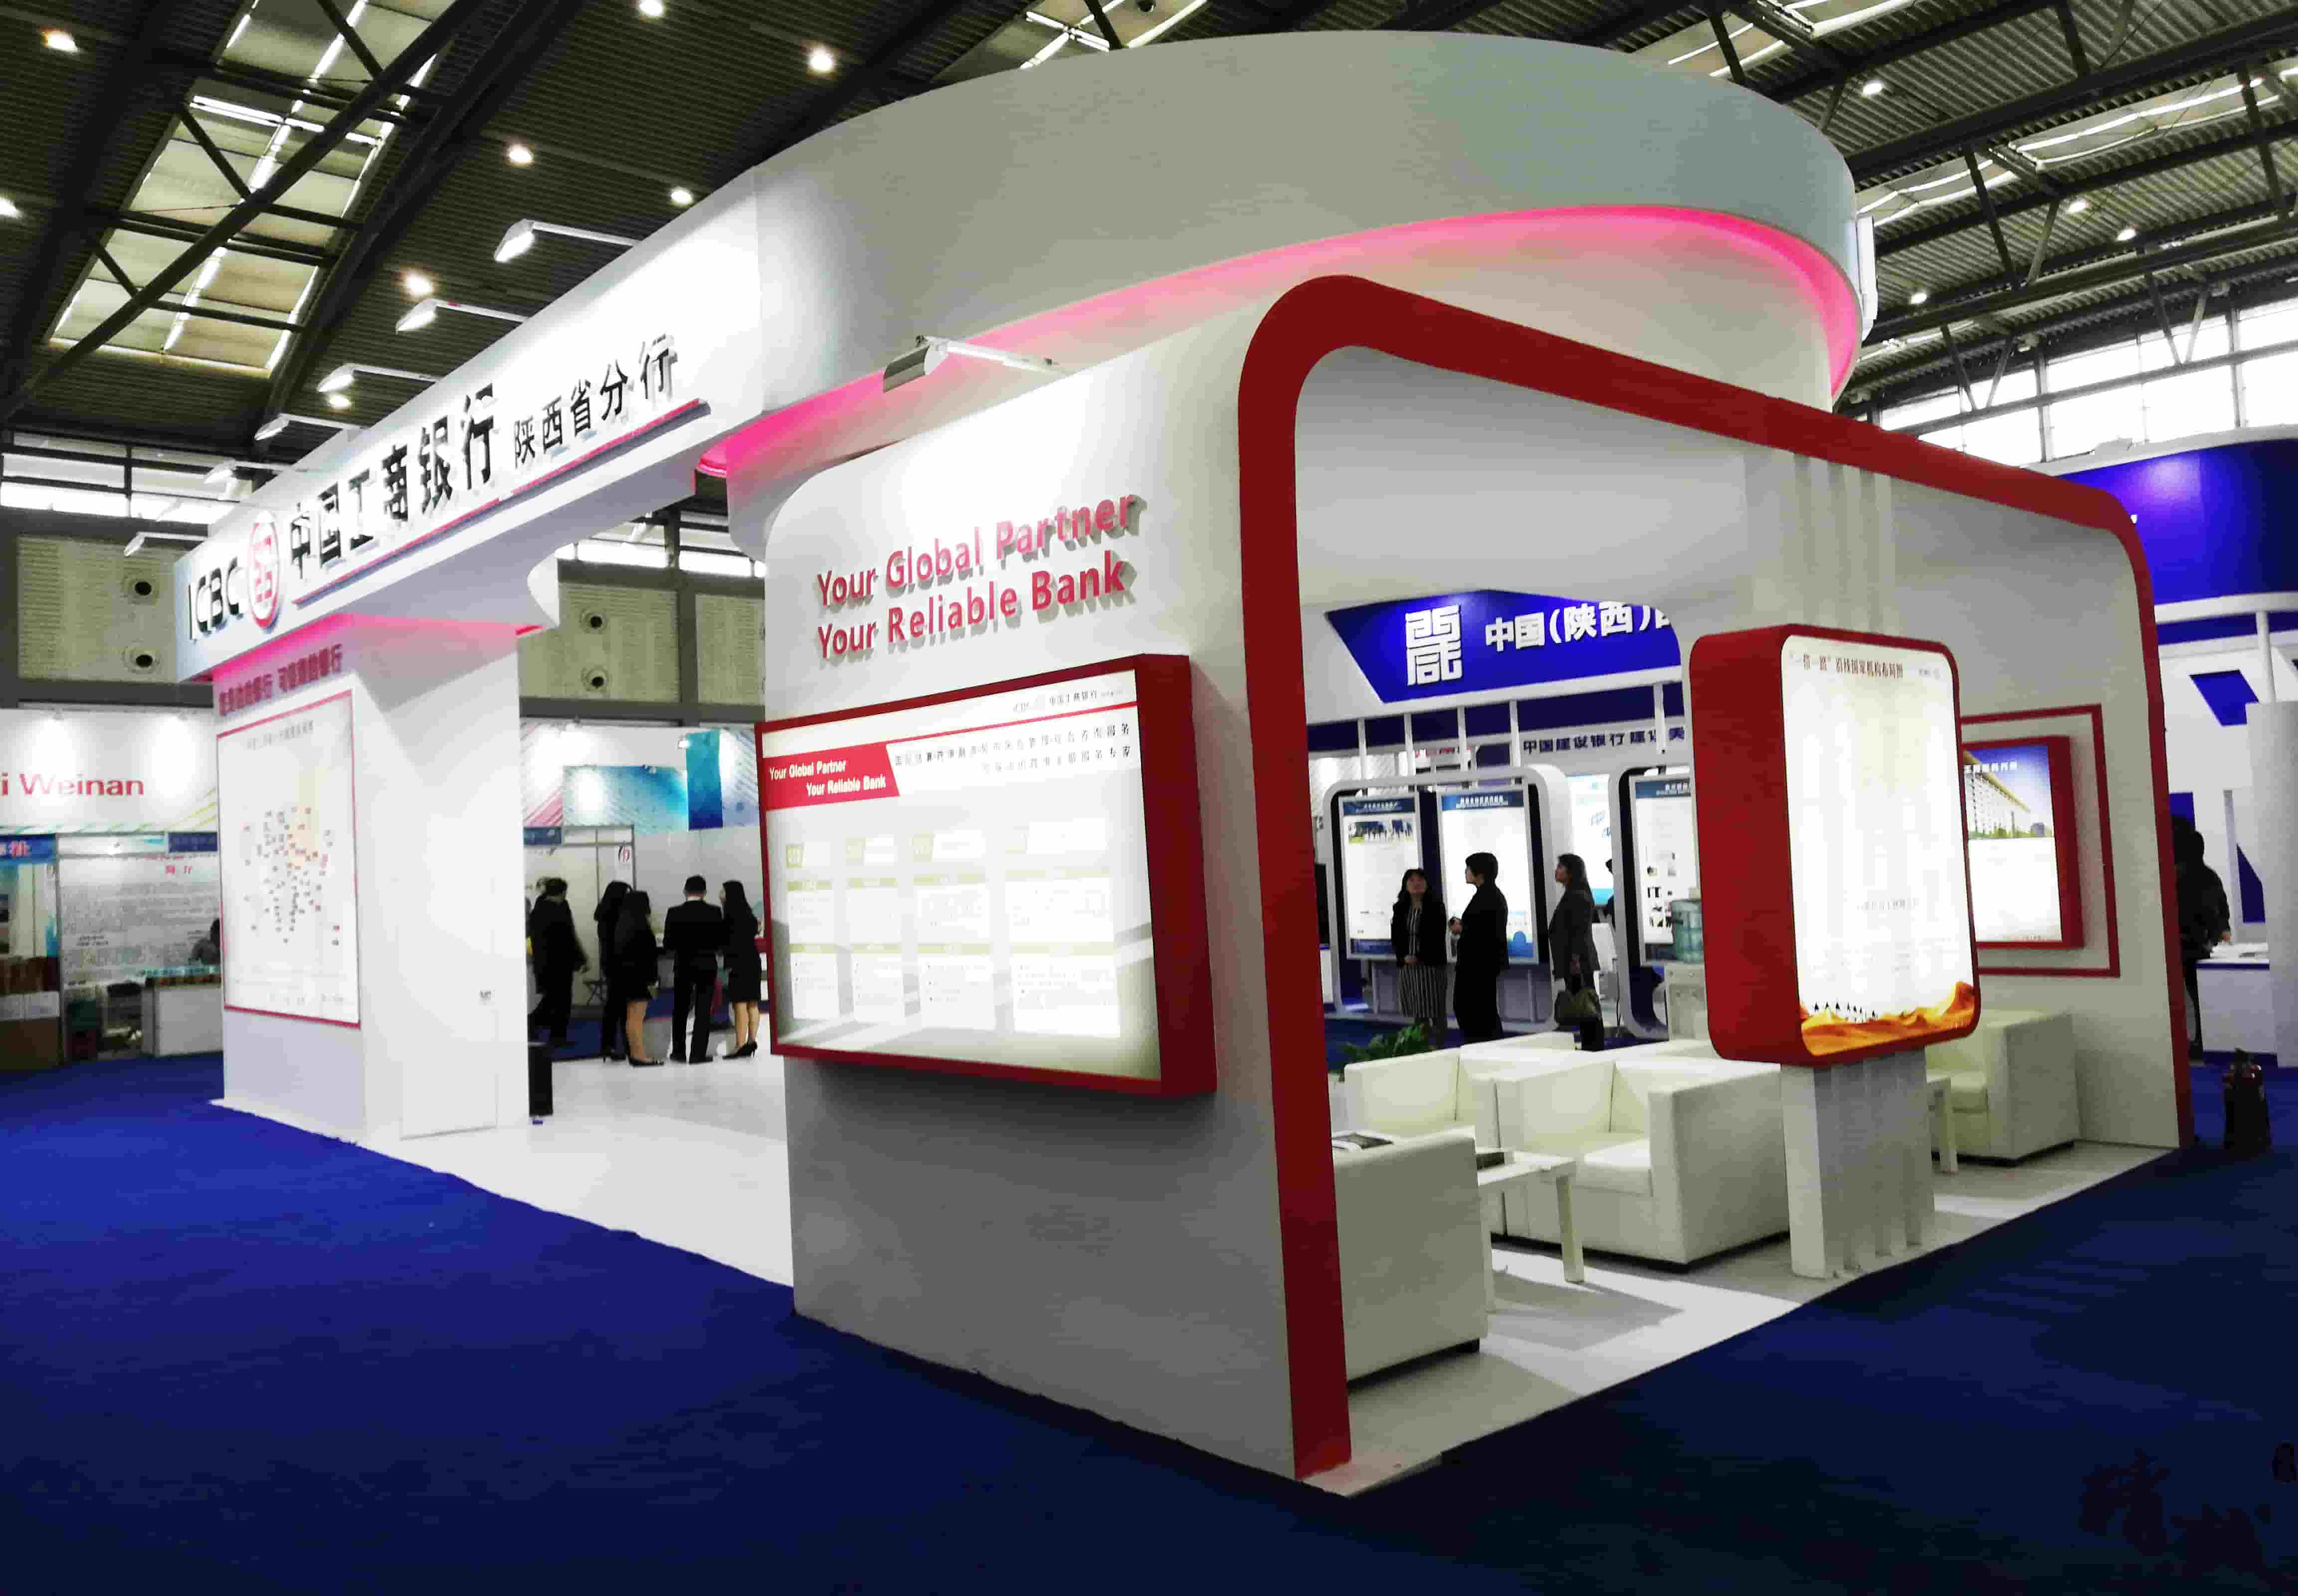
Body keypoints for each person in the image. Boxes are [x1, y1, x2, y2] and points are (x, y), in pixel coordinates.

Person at [2173, 816, 2232, 1052]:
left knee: (2193, 995)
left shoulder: (2180, 877)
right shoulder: (2208, 875)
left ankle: (2200, 1040)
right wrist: (2220, 933)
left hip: (2189, 944)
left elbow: (2212, 908)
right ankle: (2202, 1039)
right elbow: (2221, 908)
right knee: (2199, 996)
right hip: (2201, 943)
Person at [662, 874, 725, 1064]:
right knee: (703, 1011)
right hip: (707, 966)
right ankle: (698, 1054)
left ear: (685, 891)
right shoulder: (714, 912)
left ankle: (679, 1052)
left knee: (680, 1010)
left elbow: (668, 944)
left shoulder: (674, 912)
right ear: (704, 892)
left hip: (683, 966)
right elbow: (720, 943)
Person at [1449, 850, 1509, 1044]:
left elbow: (1485, 933)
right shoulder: (1488, 895)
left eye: (1469, 868)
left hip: (1478, 966)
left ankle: (1483, 1049)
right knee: (1480, 1011)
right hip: (1479, 965)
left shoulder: (1489, 897)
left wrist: (1462, 929)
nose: (1466, 872)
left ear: (1480, 873)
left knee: (1476, 1011)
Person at [1548, 852, 1606, 1051]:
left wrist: (1574, 961)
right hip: (1576, 960)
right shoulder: (1575, 893)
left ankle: (1594, 1047)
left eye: (1561, 867)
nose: (1557, 871)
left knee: (1586, 1003)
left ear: (1571, 871)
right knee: (1583, 1004)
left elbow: (1578, 933)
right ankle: (1592, 1045)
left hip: (1578, 961)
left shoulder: (1577, 896)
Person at [1389, 867, 1448, 1043]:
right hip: (1409, 968)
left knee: (1436, 1011)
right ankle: (1422, 1048)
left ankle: (1439, 1047)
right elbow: (1396, 938)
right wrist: (1404, 957)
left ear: (1427, 884)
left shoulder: (1436, 907)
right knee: (1418, 1012)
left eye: (1420, 880)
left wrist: (1420, 957)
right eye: (1412, 880)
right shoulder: (1400, 908)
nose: (1416, 884)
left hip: (1431, 967)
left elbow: (1437, 937)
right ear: (1405, 885)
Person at [526, 878, 585, 1048]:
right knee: (556, 1002)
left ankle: (555, 1036)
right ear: (561, 892)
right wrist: (579, 959)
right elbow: (566, 937)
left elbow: (569, 936)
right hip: (553, 964)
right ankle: (537, 1028)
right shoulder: (549, 911)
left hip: (555, 964)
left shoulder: (551, 908)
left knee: (557, 1002)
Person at [612, 889, 660, 1067]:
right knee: (637, 1018)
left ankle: (635, 1053)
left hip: (626, 976)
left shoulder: (623, 923)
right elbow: (648, 955)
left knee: (631, 1018)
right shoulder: (641, 925)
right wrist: (653, 980)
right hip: (640, 977)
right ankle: (639, 1055)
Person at [721, 881, 764, 1058]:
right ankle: (751, 1042)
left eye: (723, 891)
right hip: (753, 961)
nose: (720, 895)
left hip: (738, 963)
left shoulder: (730, 916)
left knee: (739, 1004)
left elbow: (725, 941)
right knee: (753, 1003)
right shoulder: (749, 915)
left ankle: (739, 1045)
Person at [593, 881, 631, 1060]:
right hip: (619, 964)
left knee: (614, 1007)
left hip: (610, 964)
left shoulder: (604, 915)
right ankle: (624, 1045)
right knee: (620, 1007)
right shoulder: (617, 917)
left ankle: (610, 1046)